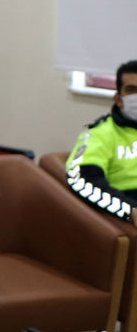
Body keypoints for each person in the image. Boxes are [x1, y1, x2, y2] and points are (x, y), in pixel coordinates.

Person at [65, 59, 137, 220]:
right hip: (127, 203)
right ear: (118, 99)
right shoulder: (100, 134)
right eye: (131, 90)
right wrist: (129, 209)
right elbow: (82, 178)